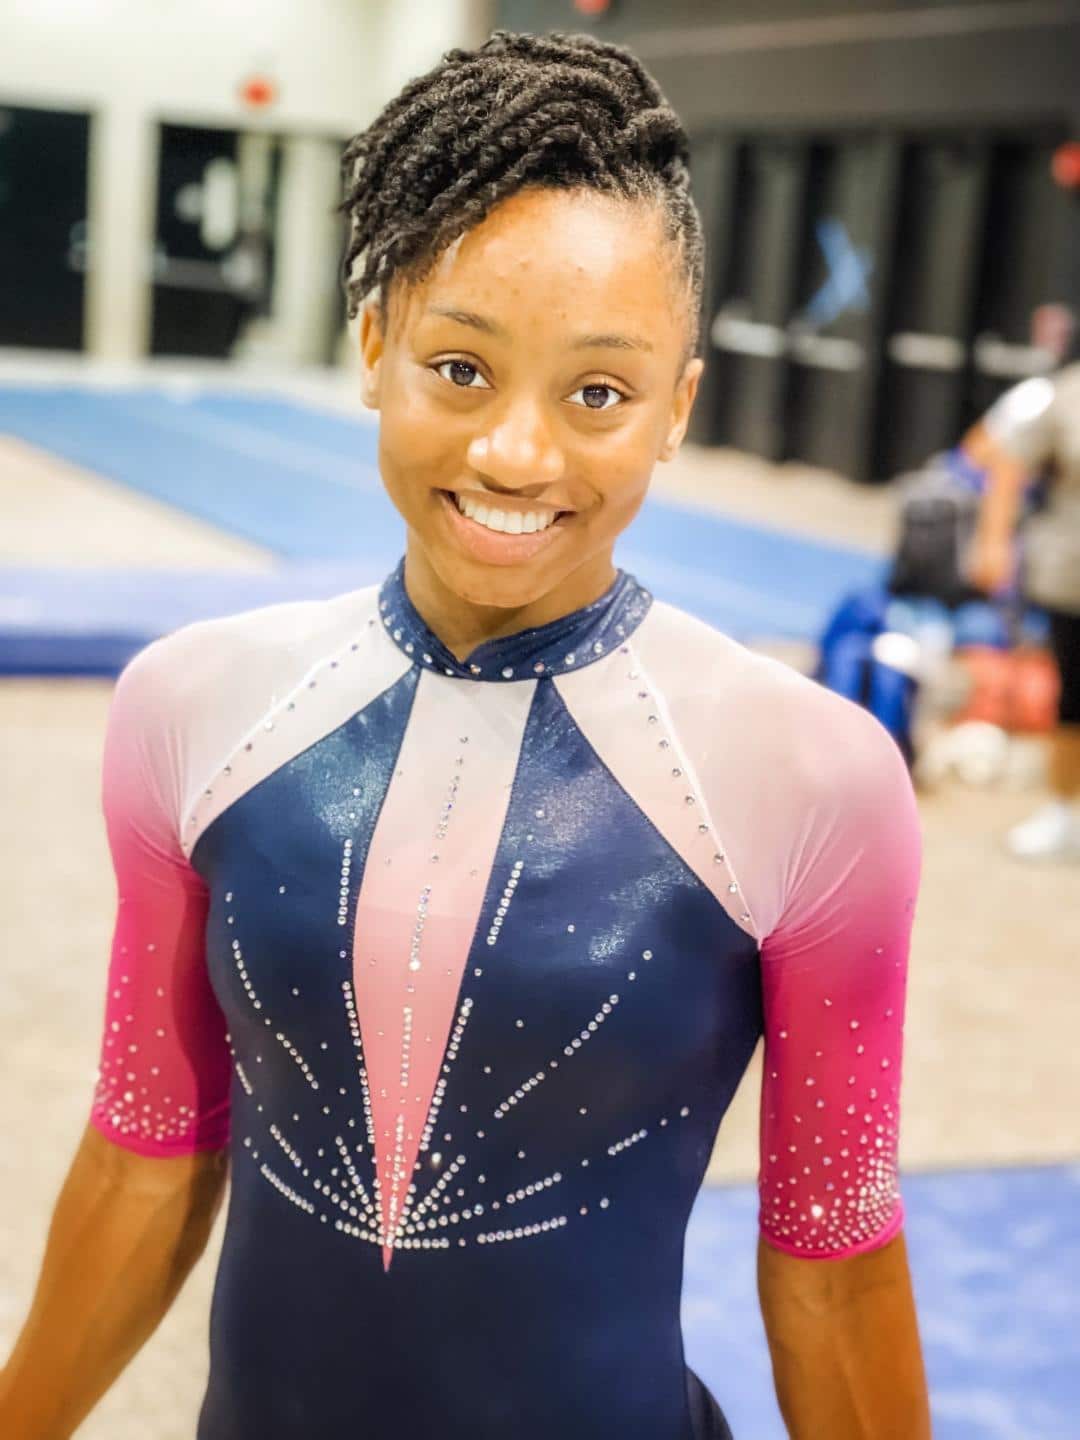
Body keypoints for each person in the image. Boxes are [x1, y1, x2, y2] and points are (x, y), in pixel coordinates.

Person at [0, 30, 930, 1440]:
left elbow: (836, 1263)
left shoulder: (810, 779)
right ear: (375, 346)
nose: (517, 454)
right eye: (460, 367)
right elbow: (146, 1152)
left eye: (598, 393)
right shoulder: (195, 706)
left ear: (677, 409)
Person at [965, 340, 1080, 862]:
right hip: (1071, 571)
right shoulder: (1068, 393)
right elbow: (1005, 459)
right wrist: (994, 541)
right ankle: (1064, 811)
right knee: (1073, 697)